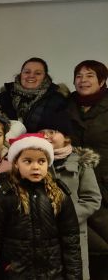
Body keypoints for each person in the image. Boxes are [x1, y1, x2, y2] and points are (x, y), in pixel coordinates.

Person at [0, 133, 82, 279]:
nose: (35, 167)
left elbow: (71, 241)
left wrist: (74, 277)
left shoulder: (59, 194)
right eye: (28, 161)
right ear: (16, 163)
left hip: (53, 275)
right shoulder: (5, 194)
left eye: (41, 161)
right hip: (15, 274)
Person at [38, 113, 101, 280]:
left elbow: (92, 199)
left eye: (52, 131)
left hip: (73, 233)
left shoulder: (80, 162)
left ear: (66, 136)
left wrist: (68, 217)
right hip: (42, 234)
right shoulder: (36, 161)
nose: (46, 136)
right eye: (42, 132)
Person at [65, 59, 108, 280]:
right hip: (74, 181)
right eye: (79, 76)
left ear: (102, 80)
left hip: (105, 181)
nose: (83, 80)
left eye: (89, 75)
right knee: (82, 243)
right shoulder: (66, 104)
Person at [0, 57, 68, 132]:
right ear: (21, 74)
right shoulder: (3, 97)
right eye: (27, 72)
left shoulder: (57, 100)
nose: (31, 76)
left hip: (43, 143)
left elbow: (62, 132)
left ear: (45, 77)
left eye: (38, 73)